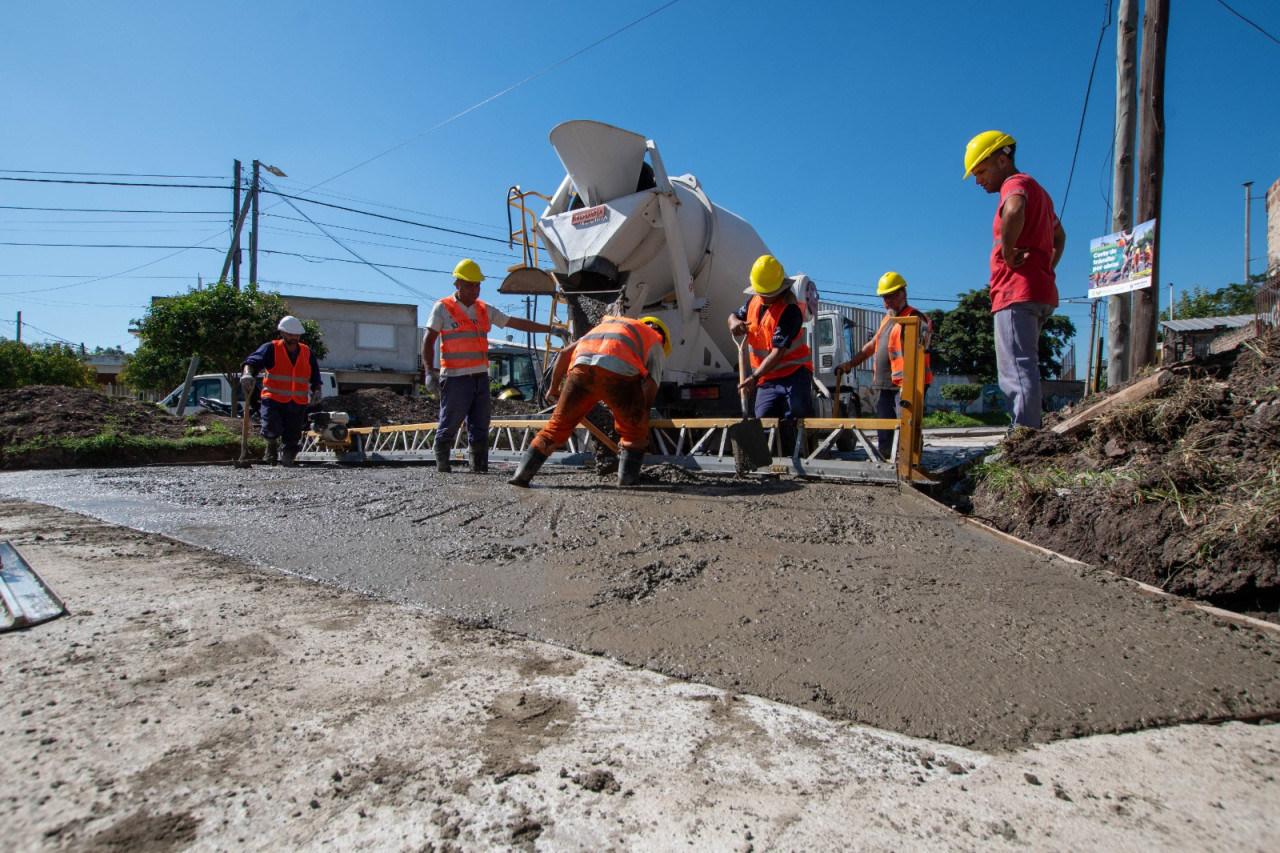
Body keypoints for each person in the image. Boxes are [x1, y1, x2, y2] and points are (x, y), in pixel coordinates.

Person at [963, 130, 1066, 429]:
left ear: (1003, 159)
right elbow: (1060, 236)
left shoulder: (1015, 184)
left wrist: (1008, 255)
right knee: (1026, 365)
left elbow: (1014, 208)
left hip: (1016, 291)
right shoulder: (1041, 193)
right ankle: (1028, 431)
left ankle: (1025, 437)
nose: (978, 180)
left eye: (981, 171)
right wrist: (1047, 266)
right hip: (1038, 290)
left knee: (1016, 370)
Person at [422, 259, 566, 473]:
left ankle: (479, 467)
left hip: (480, 378)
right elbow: (428, 340)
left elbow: (517, 323)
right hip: (454, 378)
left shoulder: (484, 310)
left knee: (480, 424)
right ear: (457, 285)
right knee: (449, 423)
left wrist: (551, 329)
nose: (475, 289)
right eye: (470, 285)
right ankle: (442, 467)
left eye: (478, 285)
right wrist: (429, 373)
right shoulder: (443, 308)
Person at [507, 315, 670, 488]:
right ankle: (628, 481)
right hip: (618, 376)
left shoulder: (606, 328)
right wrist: (643, 412)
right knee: (633, 433)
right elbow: (651, 384)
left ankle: (522, 476)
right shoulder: (656, 341)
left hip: (581, 372)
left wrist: (553, 388)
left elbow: (563, 354)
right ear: (664, 337)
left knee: (556, 427)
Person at [837, 272, 933, 459]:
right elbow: (872, 345)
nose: (888, 301)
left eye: (892, 296)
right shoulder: (887, 319)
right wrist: (849, 364)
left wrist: (909, 384)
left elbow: (923, 343)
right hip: (886, 385)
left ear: (903, 294)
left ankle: (909, 463)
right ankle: (886, 458)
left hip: (906, 385)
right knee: (884, 425)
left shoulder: (914, 317)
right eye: (884, 297)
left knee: (906, 424)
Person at [726, 254, 813, 449]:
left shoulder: (790, 310)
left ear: (780, 287)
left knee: (797, 413)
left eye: (767, 293)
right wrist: (734, 322)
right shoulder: (754, 302)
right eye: (760, 292)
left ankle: (799, 454)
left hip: (794, 374)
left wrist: (754, 377)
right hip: (768, 379)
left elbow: (778, 353)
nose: (762, 296)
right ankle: (771, 461)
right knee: (764, 419)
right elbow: (733, 315)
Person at [241, 315, 322, 467]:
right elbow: (251, 362)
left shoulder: (306, 352)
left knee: (293, 435)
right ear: (282, 333)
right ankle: (271, 445)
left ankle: (287, 461)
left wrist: (317, 391)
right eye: (290, 334)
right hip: (273, 399)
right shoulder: (271, 348)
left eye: (296, 335)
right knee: (271, 427)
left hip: (297, 402)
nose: (294, 337)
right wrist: (247, 373)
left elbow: (315, 377)